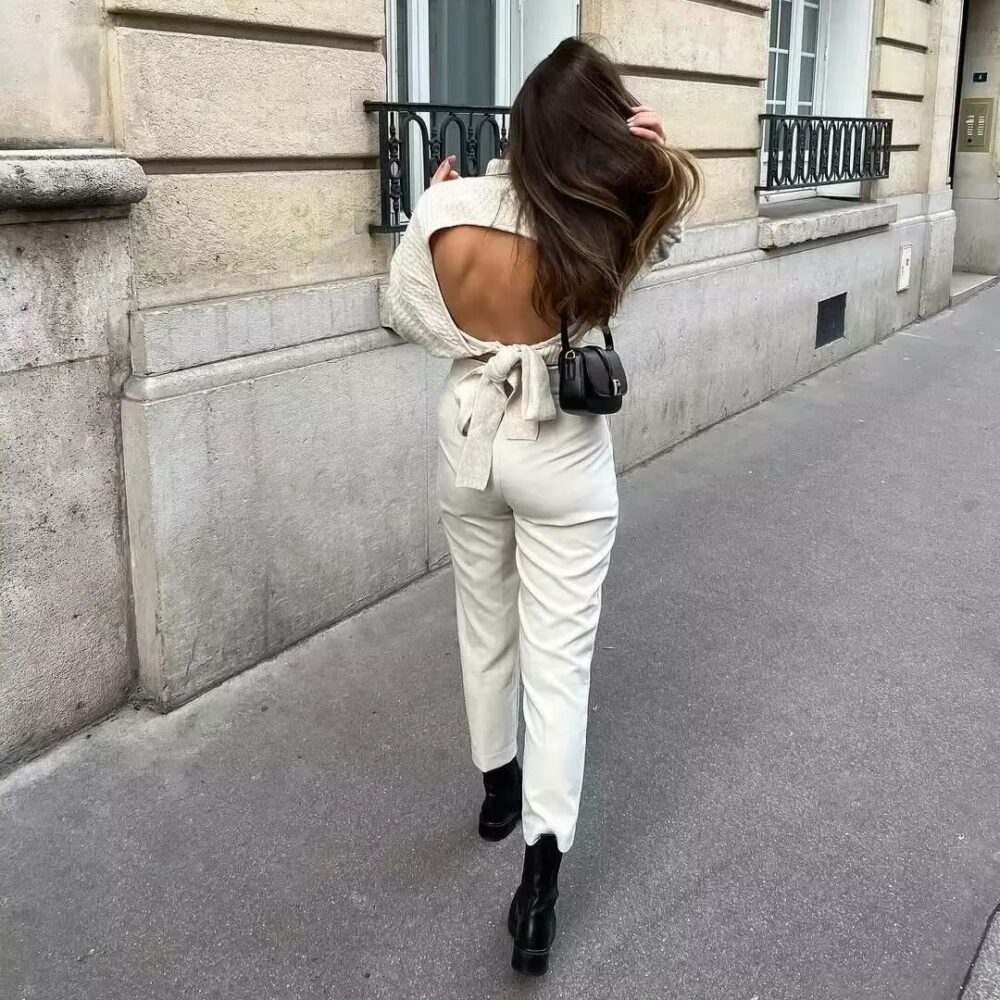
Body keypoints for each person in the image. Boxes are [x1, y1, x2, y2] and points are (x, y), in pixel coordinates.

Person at [386, 36, 700, 976]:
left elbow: (404, 308)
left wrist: (433, 200)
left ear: (519, 132)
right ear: (596, 133)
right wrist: (654, 154)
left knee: (484, 624)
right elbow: (665, 228)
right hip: (560, 453)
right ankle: (540, 882)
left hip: (470, 440)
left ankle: (494, 788)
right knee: (559, 668)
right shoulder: (604, 224)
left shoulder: (444, 210)